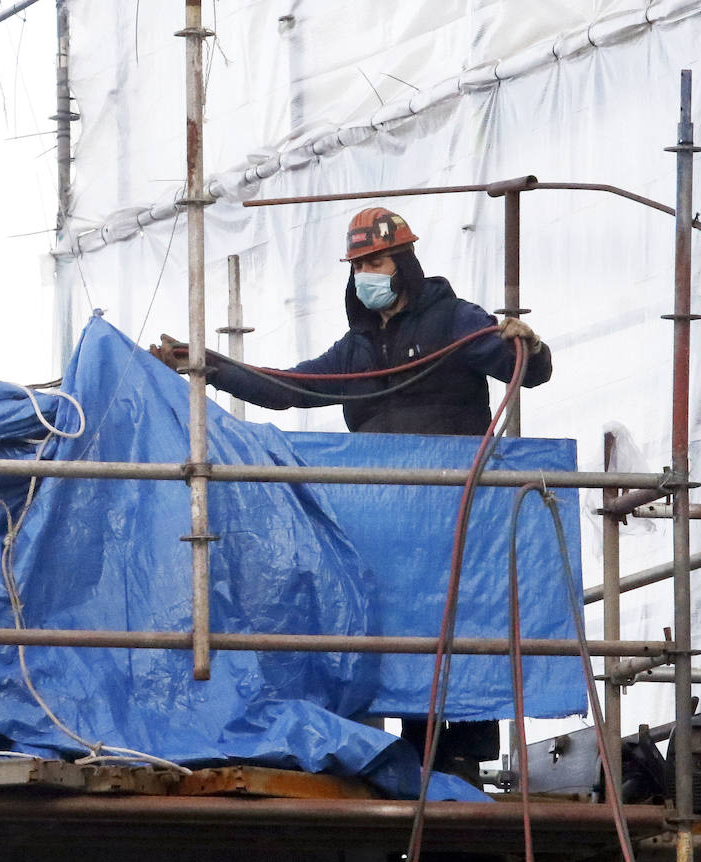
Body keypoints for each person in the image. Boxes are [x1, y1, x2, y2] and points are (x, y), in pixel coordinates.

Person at [150, 206, 554, 784]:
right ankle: (377, 761)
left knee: (451, 638)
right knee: (380, 634)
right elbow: (289, 387)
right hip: (381, 531)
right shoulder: (357, 350)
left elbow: (527, 369)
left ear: (405, 264)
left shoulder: (454, 321)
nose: (367, 271)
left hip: (450, 523)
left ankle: (456, 762)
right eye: (359, 263)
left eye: (377, 260)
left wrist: (528, 346)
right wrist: (207, 366)